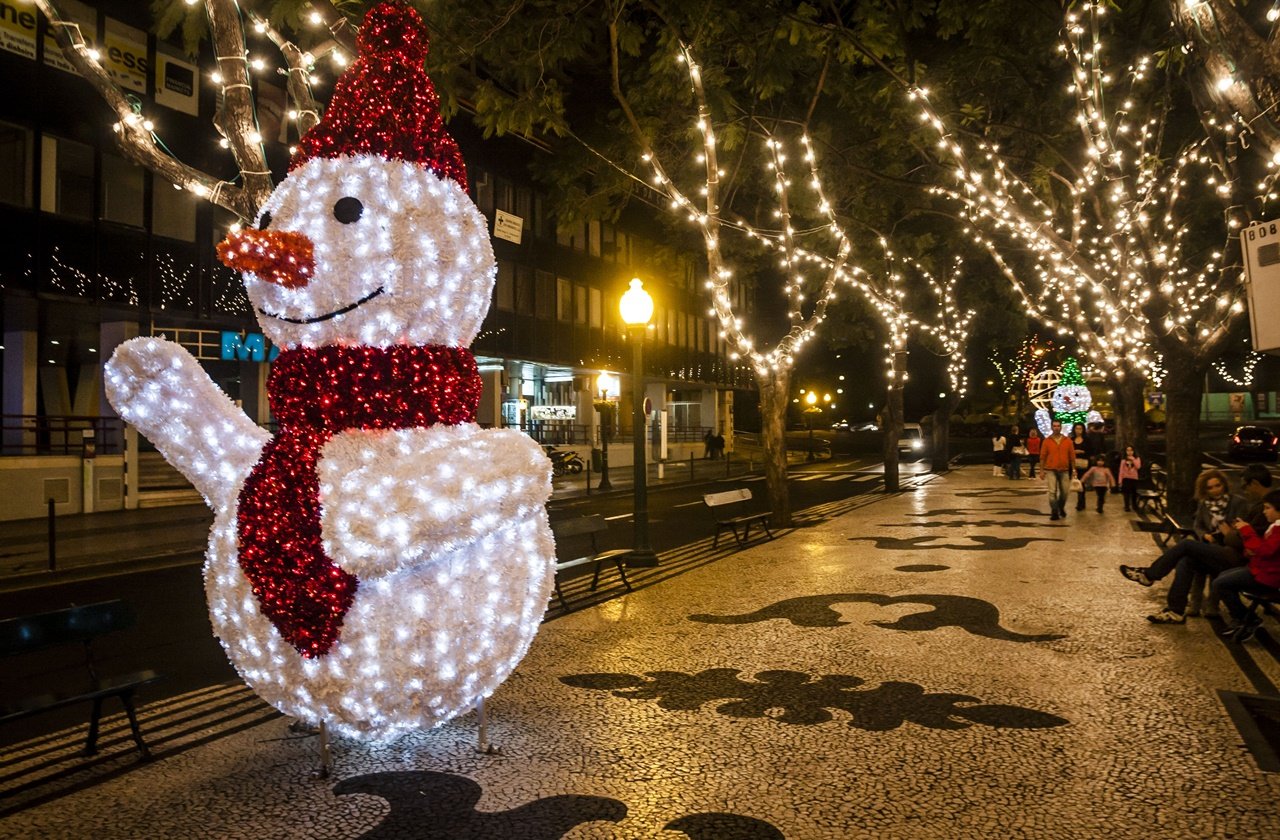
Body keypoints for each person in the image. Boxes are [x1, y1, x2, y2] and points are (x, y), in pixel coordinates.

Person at [1118, 469, 1250, 623]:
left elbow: (1243, 531)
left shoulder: (1238, 502)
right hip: (1209, 547)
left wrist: (1227, 533)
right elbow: (1198, 525)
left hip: (1230, 551)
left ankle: (1149, 575)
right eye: (1210, 487)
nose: (1215, 490)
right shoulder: (1204, 504)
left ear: (1224, 485)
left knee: (1186, 545)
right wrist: (1204, 535)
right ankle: (1176, 610)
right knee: (1185, 561)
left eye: (1218, 485)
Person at [1213, 490, 1280, 642]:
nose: (1264, 512)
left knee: (1220, 583)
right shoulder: (1275, 527)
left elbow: (1266, 550)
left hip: (1269, 577)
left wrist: (1246, 530)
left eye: (1268, 508)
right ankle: (1243, 618)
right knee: (1222, 577)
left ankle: (1248, 619)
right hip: (1262, 570)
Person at [1039, 418, 1075, 520]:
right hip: (1051, 469)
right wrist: (1042, 471)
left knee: (1065, 492)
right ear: (1051, 427)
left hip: (1064, 469)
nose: (1056, 428)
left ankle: (1061, 507)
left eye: (1058, 426)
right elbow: (1042, 457)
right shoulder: (1047, 441)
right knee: (1052, 492)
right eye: (1054, 426)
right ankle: (1054, 511)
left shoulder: (1067, 441)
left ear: (1061, 427)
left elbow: (1072, 456)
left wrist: (1074, 469)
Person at [1069, 423, 1089, 511]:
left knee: (1082, 483)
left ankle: (1081, 502)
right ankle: (1080, 501)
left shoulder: (1087, 440)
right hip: (1073, 464)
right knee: (1076, 482)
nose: (1078, 430)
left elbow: (1090, 451)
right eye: (1077, 428)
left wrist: (1082, 452)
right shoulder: (1071, 440)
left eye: (1080, 429)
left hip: (1083, 463)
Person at [1117, 446, 1142, 512]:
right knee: (1126, 493)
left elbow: (1138, 467)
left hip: (1134, 478)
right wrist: (1120, 480)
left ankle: (1134, 505)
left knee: (1134, 493)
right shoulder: (1123, 460)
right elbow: (1121, 471)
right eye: (1128, 450)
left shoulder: (1137, 459)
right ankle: (1127, 506)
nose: (1129, 452)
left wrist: (1133, 459)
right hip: (1126, 478)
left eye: (1131, 450)